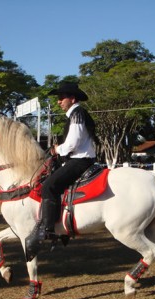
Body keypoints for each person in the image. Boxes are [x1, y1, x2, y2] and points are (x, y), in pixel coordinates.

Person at [25, 82, 98, 259]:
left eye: (61, 98)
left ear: (72, 98)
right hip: (77, 158)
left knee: (48, 186)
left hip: (80, 160)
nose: (58, 101)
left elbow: (73, 143)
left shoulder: (77, 114)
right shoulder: (74, 114)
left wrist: (57, 150)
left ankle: (48, 230)